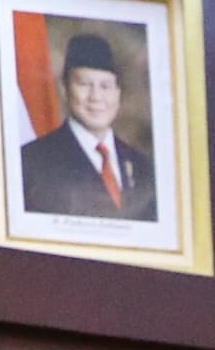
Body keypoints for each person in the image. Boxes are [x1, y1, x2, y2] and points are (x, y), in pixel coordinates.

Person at [18, 33, 155, 219]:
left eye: (105, 86)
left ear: (118, 93)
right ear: (64, 89)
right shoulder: (30, 162)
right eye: (84, 85)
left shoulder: (143, 168)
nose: (96, 97)